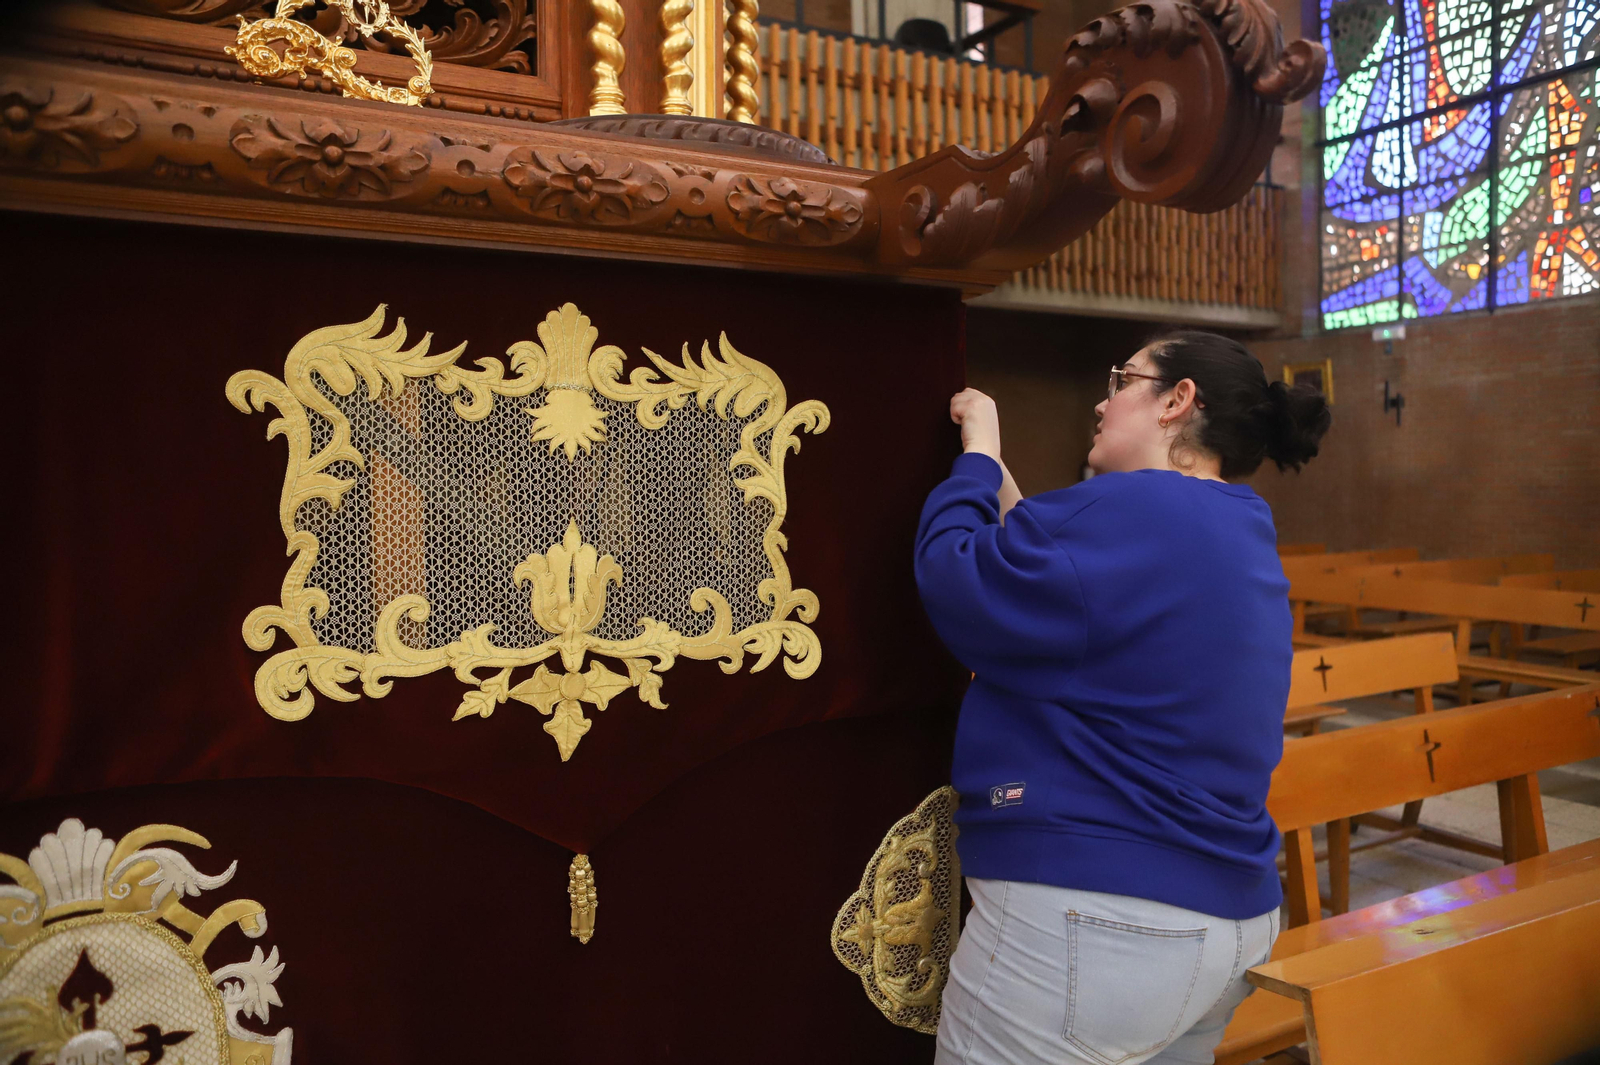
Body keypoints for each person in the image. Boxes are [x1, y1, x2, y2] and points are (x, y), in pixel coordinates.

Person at [914, 331, 1331, 1065]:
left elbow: (956, 579)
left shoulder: (1127, 510)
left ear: (1178, 400)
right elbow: (1054, 560)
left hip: (1103, 915)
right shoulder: (1236, 520)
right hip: (1230, 917)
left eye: (1122, 379)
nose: (1103, 401)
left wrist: (975, 458)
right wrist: (1001, 474)